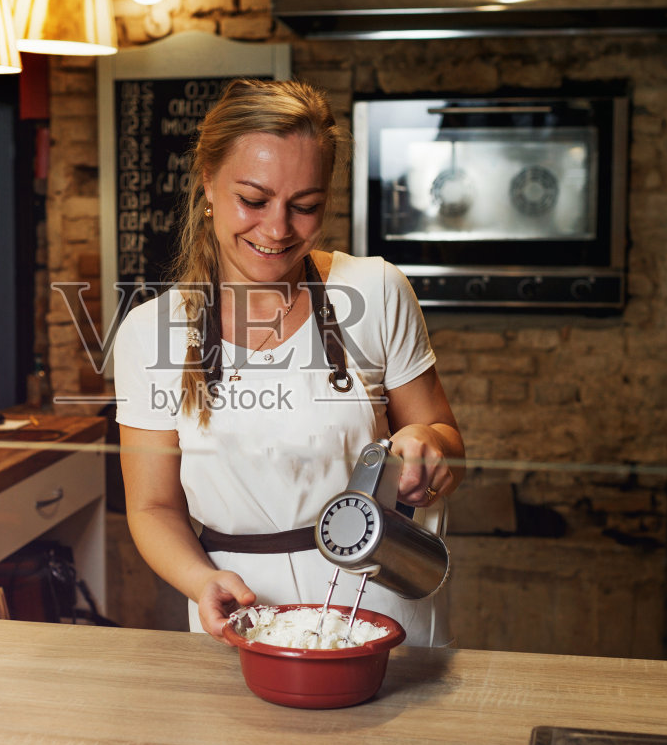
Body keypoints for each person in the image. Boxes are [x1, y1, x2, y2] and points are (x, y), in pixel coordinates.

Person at [113, 79, 465, 647]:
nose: (277, 230)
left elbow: (448, 440)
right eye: (252, 200)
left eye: (305, 207)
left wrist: (431, 446)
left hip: (379, 597)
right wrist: (201, 580)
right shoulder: (150, 333)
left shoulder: (375, 289)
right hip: (238, 610)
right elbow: (153, 506)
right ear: (207, 181)